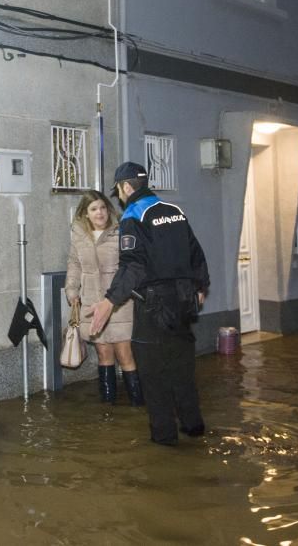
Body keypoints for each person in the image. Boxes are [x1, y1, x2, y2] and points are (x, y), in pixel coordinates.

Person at [90, 162, 210, 446]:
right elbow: (196, 252)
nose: (119, 197)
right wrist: (200, 285)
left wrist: (110, 301)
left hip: (154, 306)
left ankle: (164, 440)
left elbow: (134, 265)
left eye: (119, 190)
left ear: (127, 187)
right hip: (183, 303)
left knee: (153, 376)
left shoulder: (133, 216)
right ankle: (193, 427)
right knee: (182, 369)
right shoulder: (174, 211)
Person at [66, 191, 143, 406]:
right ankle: (108, 408)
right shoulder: (79, 235)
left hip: (119, 303)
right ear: (85, 214)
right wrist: (71, 291)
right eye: (93, 209)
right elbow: (73, 263)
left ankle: (138, 405)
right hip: (91, 302)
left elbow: (132, 266)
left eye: (102, 207)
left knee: (124, 353)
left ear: (108, 209)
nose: (99, 213)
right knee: (103, 354)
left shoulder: (121, 231)